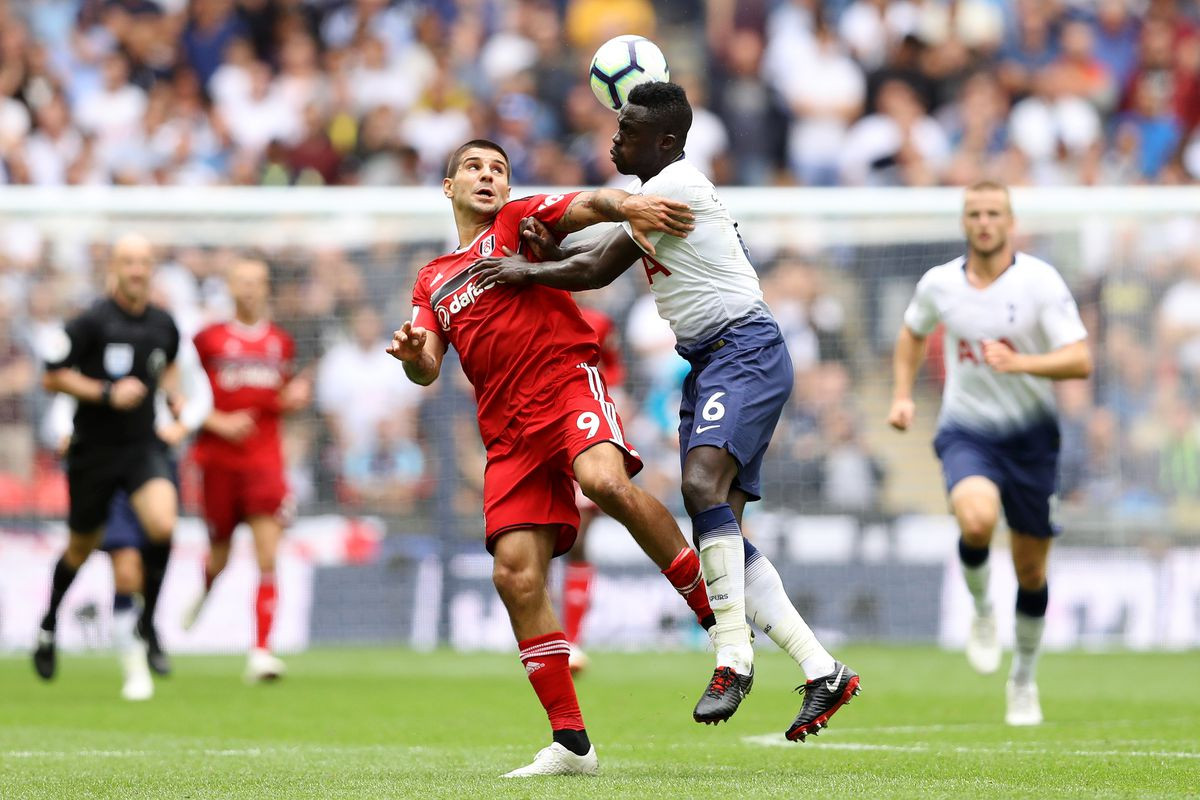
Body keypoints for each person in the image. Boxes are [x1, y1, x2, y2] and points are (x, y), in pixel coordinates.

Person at [470, 82, 859, 741]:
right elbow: (596, 264)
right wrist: (547, 255)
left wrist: (526, 270)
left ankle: (732, 656)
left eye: (625, 134)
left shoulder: (677, 184)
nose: (613, 141)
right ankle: (822, 670)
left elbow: (594, 268)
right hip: (714, 360)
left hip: (744, 347)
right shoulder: (656, 196)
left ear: (666, 142)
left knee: (699, 485)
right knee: (724, 538)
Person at [388, 138, 715, 778]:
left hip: (565, 385)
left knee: (603, 482)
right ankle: (572, 743)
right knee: (515, 576)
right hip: (508, 434)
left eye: (499, 169)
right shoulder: (432, 277)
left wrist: (632, 207)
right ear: (447, 188)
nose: (488, 176)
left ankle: (713, 611)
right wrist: (413, 357)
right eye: (474, 168)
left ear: (508, 189)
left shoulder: (517, 225)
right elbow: (428, 367)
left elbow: (586, 205)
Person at [887, 181, 1091, 726]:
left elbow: (1079, 359)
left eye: (993, 213)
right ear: (964, 222)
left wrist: (1021, 364)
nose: (984, 222)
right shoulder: (939, 285)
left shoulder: (1040, 282)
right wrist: (904, 395)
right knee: (975, 521)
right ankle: (981, 611)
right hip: (967, 430)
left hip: (1031, 441)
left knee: (1030, 569)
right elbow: (911, 334)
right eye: (975, 213)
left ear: (1010, 221)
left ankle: (1023, 677)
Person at [34, 234, 181, 690]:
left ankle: (147, 625)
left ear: (151, 267)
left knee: (162, 526)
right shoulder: (90, 322)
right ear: (114, 268)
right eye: (128, 262)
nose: (137, 269)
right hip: (94, 452)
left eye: (143, 261)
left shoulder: (164, 323)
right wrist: (104, 392)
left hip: (141, 447)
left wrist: (173, 397)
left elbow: (169, 364)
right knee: (80, 548)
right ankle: (48, 623)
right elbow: (51, 378)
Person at [42, 330, 211, 699]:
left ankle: (148, 625)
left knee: (159, 540)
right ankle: (131, 665)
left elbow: (201, 397)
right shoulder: (100, 339)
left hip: (155, 466)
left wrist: (183, 424)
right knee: (124, 564)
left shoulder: (170, 345)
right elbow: (68, 394)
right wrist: (63, 434)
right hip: (108, 465)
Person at [185, 257, 311, 682]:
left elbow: (274, 399)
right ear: (230, 287)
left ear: (266, 287)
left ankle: (261, 651)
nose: (250, 289)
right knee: (219, 556)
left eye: (257, 282)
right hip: (218, 461)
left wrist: (291, 399)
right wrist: (216, 421)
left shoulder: (280, 342)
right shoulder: (207, 341)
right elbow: (180, 393)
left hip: (264, 462)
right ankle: (204, 591)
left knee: (267, 555)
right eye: (242, 281)